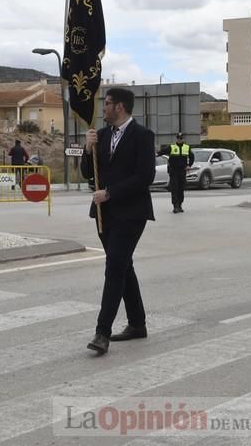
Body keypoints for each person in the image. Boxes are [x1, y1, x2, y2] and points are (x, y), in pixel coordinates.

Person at [81, 88, 156, 355]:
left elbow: (145, 176)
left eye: (108, 103)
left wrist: (111, 192)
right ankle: (137, 324)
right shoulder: (101, 135)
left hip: (132, 213)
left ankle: (102, 333)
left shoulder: (143, 136)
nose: (104, 108)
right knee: (124, 266)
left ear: (121, 107)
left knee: (114, 266)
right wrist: (88, 149)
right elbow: (87, 173)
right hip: (104, 213)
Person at [165, 132, 194, 214]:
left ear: (183, 139)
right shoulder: (172, 147)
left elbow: (192, 157)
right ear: (176, 139)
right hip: (173, 171)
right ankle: (175, 206)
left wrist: (189, 165)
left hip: (182, 171)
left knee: (181, 188)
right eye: (178, 138)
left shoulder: (187, 147)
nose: (179, 139)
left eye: (181, 138)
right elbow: (161, 152)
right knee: (174, 188)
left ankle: (180, 205)